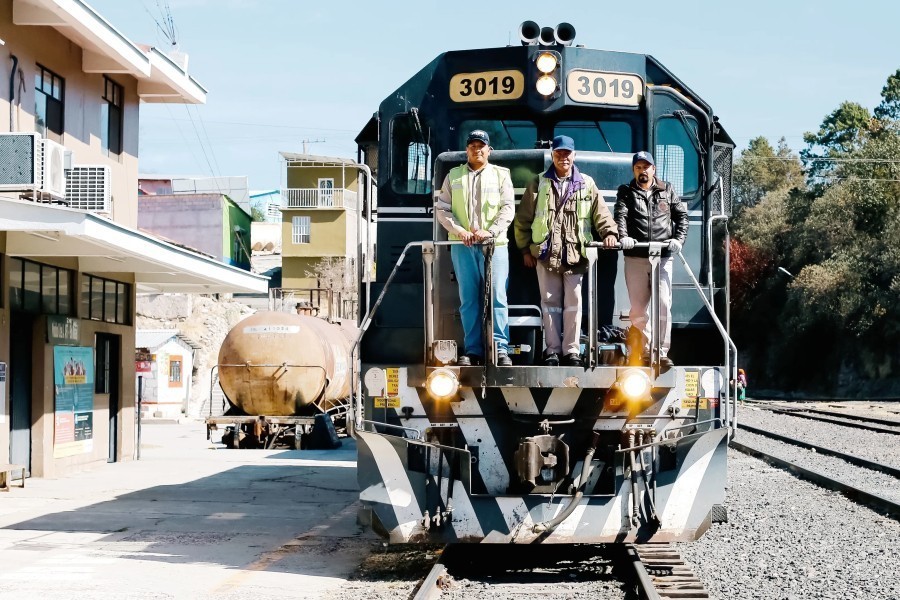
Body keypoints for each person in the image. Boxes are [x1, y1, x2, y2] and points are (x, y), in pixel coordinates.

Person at [514, 135, 618, 367]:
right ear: (553, 155)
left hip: (575, 255)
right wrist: (524, 250)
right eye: (559, 153)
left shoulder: (587, 183)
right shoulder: (538, 183)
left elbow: (601, 214)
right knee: (549, 304)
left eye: (567, 153)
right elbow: (522, 221)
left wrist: (610, 233)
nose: (563, 157)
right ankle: (552, 351)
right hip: (545, 255)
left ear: (574, 155)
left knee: (574, 304)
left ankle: (571, 351)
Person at [435, 129, 514, 367]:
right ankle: (473, 350)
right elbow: (442, 209)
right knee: (468, 299)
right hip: (463, 245)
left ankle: (500, 348)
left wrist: (490, 232)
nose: (476, 149)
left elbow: (508, 208)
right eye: (472, 145)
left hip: (495, 246)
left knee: (498, 298)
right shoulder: (453, 176)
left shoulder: (502, 175)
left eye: (481, 146)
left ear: (489, 150)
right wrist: (460, 231)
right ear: (467, 149)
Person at [615, 151, 688, 369]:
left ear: (653, 169)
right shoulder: (626, 192)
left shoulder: (667, 190)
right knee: (638, 309)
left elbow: (681, 217)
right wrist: (623, 236)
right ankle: (646, 350)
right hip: (635, 257)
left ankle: (661, 351)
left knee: (664, 304)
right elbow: (621, 216)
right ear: (634, 170)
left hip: (662, 257)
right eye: (638, 167)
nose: (643, 170)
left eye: (646, 167)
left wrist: (678, 240)